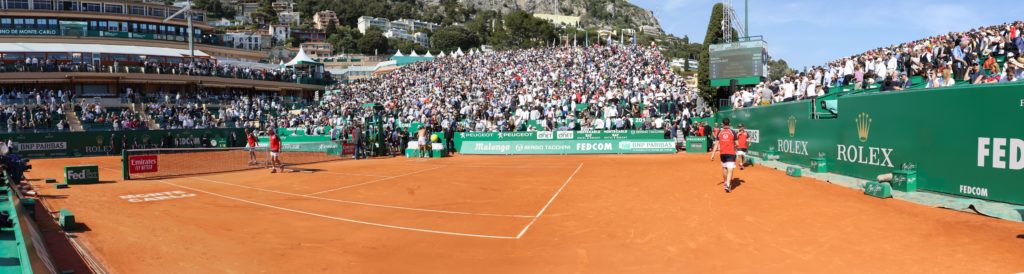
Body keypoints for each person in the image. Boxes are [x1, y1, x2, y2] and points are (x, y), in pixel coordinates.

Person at [710, 118, 738, 193]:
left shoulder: (719, 132)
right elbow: (737, 144)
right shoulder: (733, 132)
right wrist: (734, 147)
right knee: (730, 169)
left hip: (722, 153)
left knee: (724, 168)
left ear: (722, 124)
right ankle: (728, 184)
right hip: (731, 153)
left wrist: (712, 155)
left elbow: (716, 144)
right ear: (729, 123)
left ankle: (725, 182)